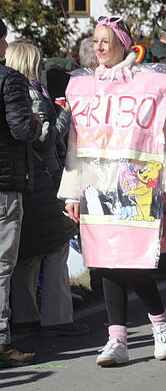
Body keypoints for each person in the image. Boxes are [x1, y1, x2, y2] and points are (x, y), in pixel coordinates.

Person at [59, 16, 166, 366]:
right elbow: (76, 142)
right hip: (96, 184)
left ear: (123, 44)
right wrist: (72, 193)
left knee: (134, 260)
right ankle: (116, 339)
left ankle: (160, 322)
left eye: (106, 40)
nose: (99, 47)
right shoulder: (85, 87)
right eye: (95, 40)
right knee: (106, 262)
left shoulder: (148, 83)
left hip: (138, 184)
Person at [6, 42, 88, 339]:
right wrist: (67, 114)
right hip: (44, 180)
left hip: (26, 179)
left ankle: (25, 315)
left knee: (27, 253)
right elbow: (44, 136)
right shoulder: (33, 94)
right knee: (56, 248)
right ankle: (57, 317)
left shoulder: (12, 93)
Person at [0, 22, 41, 368]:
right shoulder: (9, 79)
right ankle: (1, 342)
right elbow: (22, 130)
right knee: (1, 265)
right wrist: (38, 122)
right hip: (4, 184)